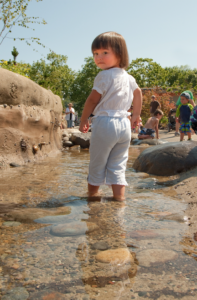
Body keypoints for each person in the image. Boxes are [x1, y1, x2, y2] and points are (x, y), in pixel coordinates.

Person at [79, 31, 142, 201]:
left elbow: (92, 100)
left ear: (119, 54)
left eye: (105, 53)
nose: (99, 57)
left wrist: (84, 118)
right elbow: (138, 93)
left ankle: (92, 196)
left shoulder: (103, 75)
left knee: (97, 162)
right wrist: (135, 115)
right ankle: (119, 199)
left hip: (105, 123)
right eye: (95, 53)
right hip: (124, 125)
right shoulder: (129, 77)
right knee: (118, 164)